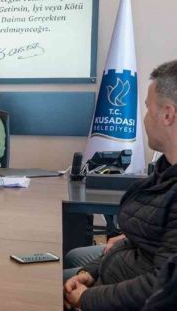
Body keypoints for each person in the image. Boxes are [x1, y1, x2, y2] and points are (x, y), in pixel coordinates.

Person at [63, 60, 177, 311]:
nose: (143, 120)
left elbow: (162, 288)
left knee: (41, 286)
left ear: (168, 115)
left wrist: (87, 298)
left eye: (147, 109)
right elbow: (140, 238)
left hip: (136, 298)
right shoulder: (164, 171)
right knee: (67, 266)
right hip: (119, 274)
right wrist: (90, 272)